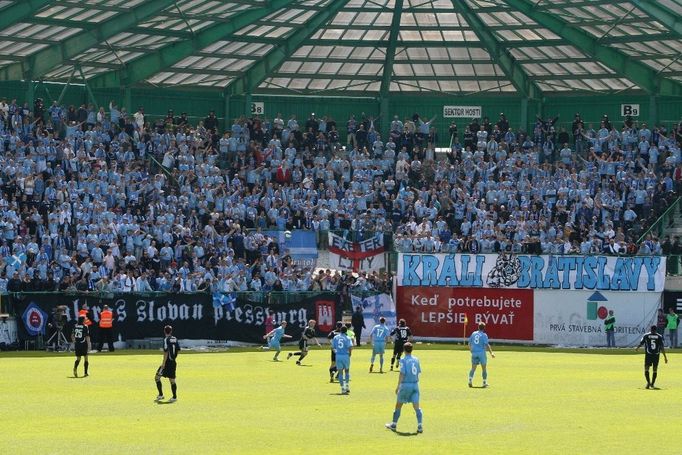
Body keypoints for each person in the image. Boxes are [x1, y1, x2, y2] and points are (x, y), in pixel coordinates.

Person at [385, 342, 423, 434]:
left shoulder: (403, 360)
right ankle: (420, 426)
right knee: (417, 407)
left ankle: (394, 424)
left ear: (404, 350)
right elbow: (418, 372)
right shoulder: (416, 359)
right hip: (415, 385)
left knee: (398, 405)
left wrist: (398, 386)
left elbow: (402, 373)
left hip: (406, 385)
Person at [155, 325, 180, 402]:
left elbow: (166, 352)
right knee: (172, 380)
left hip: (167, 363)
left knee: (157, 378)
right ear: (171, 331)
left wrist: (163, 363)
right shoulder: (175, 339)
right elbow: (178, 350)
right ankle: (174, 397)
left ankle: (161, 395)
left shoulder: (166, 340)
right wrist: (174, 357)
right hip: (173, 362)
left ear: (164, 331)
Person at [468, 322, 495, 388]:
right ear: (484, 328)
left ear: (478, 327)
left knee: (473, 368)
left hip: (474, 353)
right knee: (484, 368)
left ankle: (470, 381)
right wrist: (491, 353)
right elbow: (487, 345)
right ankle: (484, 382)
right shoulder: (484, 335)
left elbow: (469, 343)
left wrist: (471, 350)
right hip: (481, 353)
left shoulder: (473, 333)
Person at [332, 326, 353, 394]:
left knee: (340, 372)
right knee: (347, 371)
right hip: (345, 355)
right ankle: (347, 386)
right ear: (346, 331)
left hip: (338, 356)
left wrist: (336, 352)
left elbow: (333, 347)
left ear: (340, 330)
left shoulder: (336, 337)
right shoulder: (347, 338)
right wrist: (350, 354)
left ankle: (342, 388)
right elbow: (350, 347)